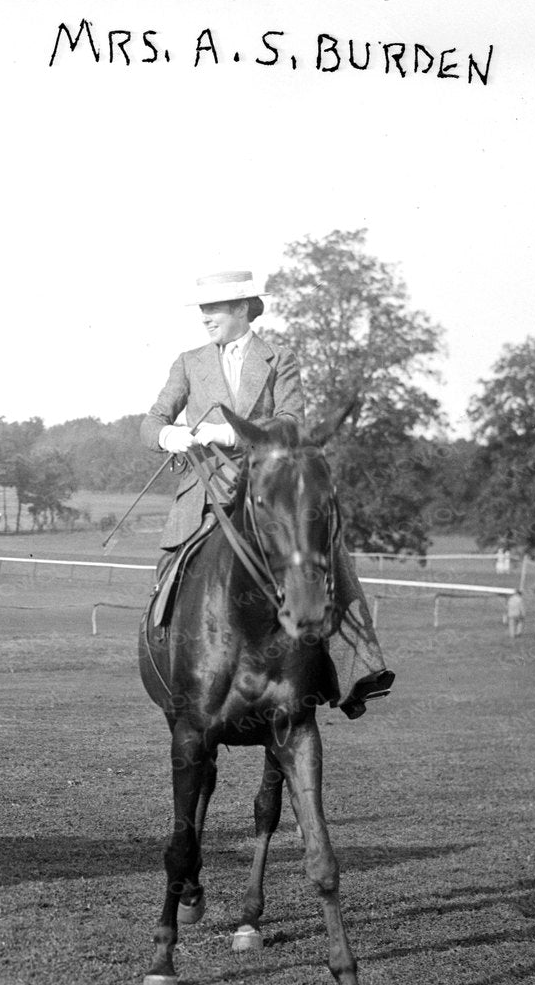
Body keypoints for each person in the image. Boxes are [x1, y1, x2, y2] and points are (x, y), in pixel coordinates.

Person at [140, 270, 393, 717]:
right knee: (170, 570)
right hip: (207, 493)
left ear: (242, 308)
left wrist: (236, 435)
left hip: (267, 486)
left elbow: (291, 420)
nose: (206, 317)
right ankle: (164, 665)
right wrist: (168, 437)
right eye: (203, 309)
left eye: (214, 308)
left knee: (323, 551)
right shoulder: (189, 361)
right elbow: (153, 419)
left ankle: (359, 670)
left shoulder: (279, 358)